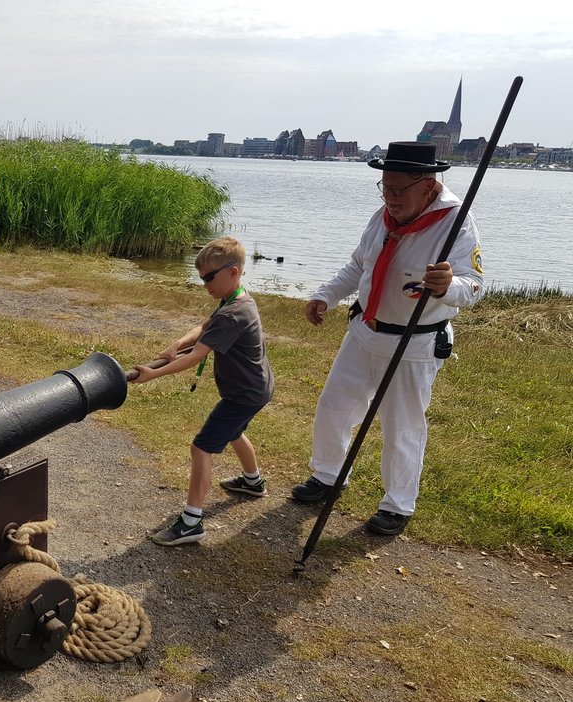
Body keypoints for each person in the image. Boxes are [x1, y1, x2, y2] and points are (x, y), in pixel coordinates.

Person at [293, 141, 484, 536]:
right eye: (385, 188)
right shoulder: (383, 216)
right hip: (364, 330)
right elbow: (358, 265)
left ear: (429, 187)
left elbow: (475, 286)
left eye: (398, 190)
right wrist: (325, 294)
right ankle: (328, 476)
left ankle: (397, 504)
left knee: (402, 426)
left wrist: (448, 286)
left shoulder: (456, 222)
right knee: (334, 407)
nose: (390, 198)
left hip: (414, 343)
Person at [132, 236, 275, 546]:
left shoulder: (233, 314)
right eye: (201, 278)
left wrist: (153, 373)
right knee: (233, 432)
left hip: (244, 394)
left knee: (201, 448)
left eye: (210, 277)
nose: (205, 284)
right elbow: (204, 327)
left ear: (233, 272)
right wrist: (178, 344)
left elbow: (197, 356)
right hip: (255, 387)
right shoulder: (236, 299)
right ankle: (253, 483)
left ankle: (191, 523)